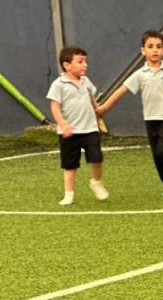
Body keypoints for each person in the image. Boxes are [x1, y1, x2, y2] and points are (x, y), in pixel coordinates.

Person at [97, 30, 163, 197]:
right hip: (150, 120)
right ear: (143, 51)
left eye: (158, 46)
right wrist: (104, 108)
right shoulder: (140, 75)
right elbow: (121, 90)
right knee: (157, 155)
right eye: (150, 46)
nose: (155, 50)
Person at [46, 46, 109, 206]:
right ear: (67, 65)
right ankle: (69, 194)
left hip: (90, 130)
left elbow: (92, 99)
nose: (85, 65)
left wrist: (98, 111)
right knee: (69, 165)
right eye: (80, 62)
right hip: (69, 133)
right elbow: (55, 107)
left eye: (85, 61)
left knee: (97, 159)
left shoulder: (86, 82)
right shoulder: (58, 84)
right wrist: (63, 124)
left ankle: (96, 182)